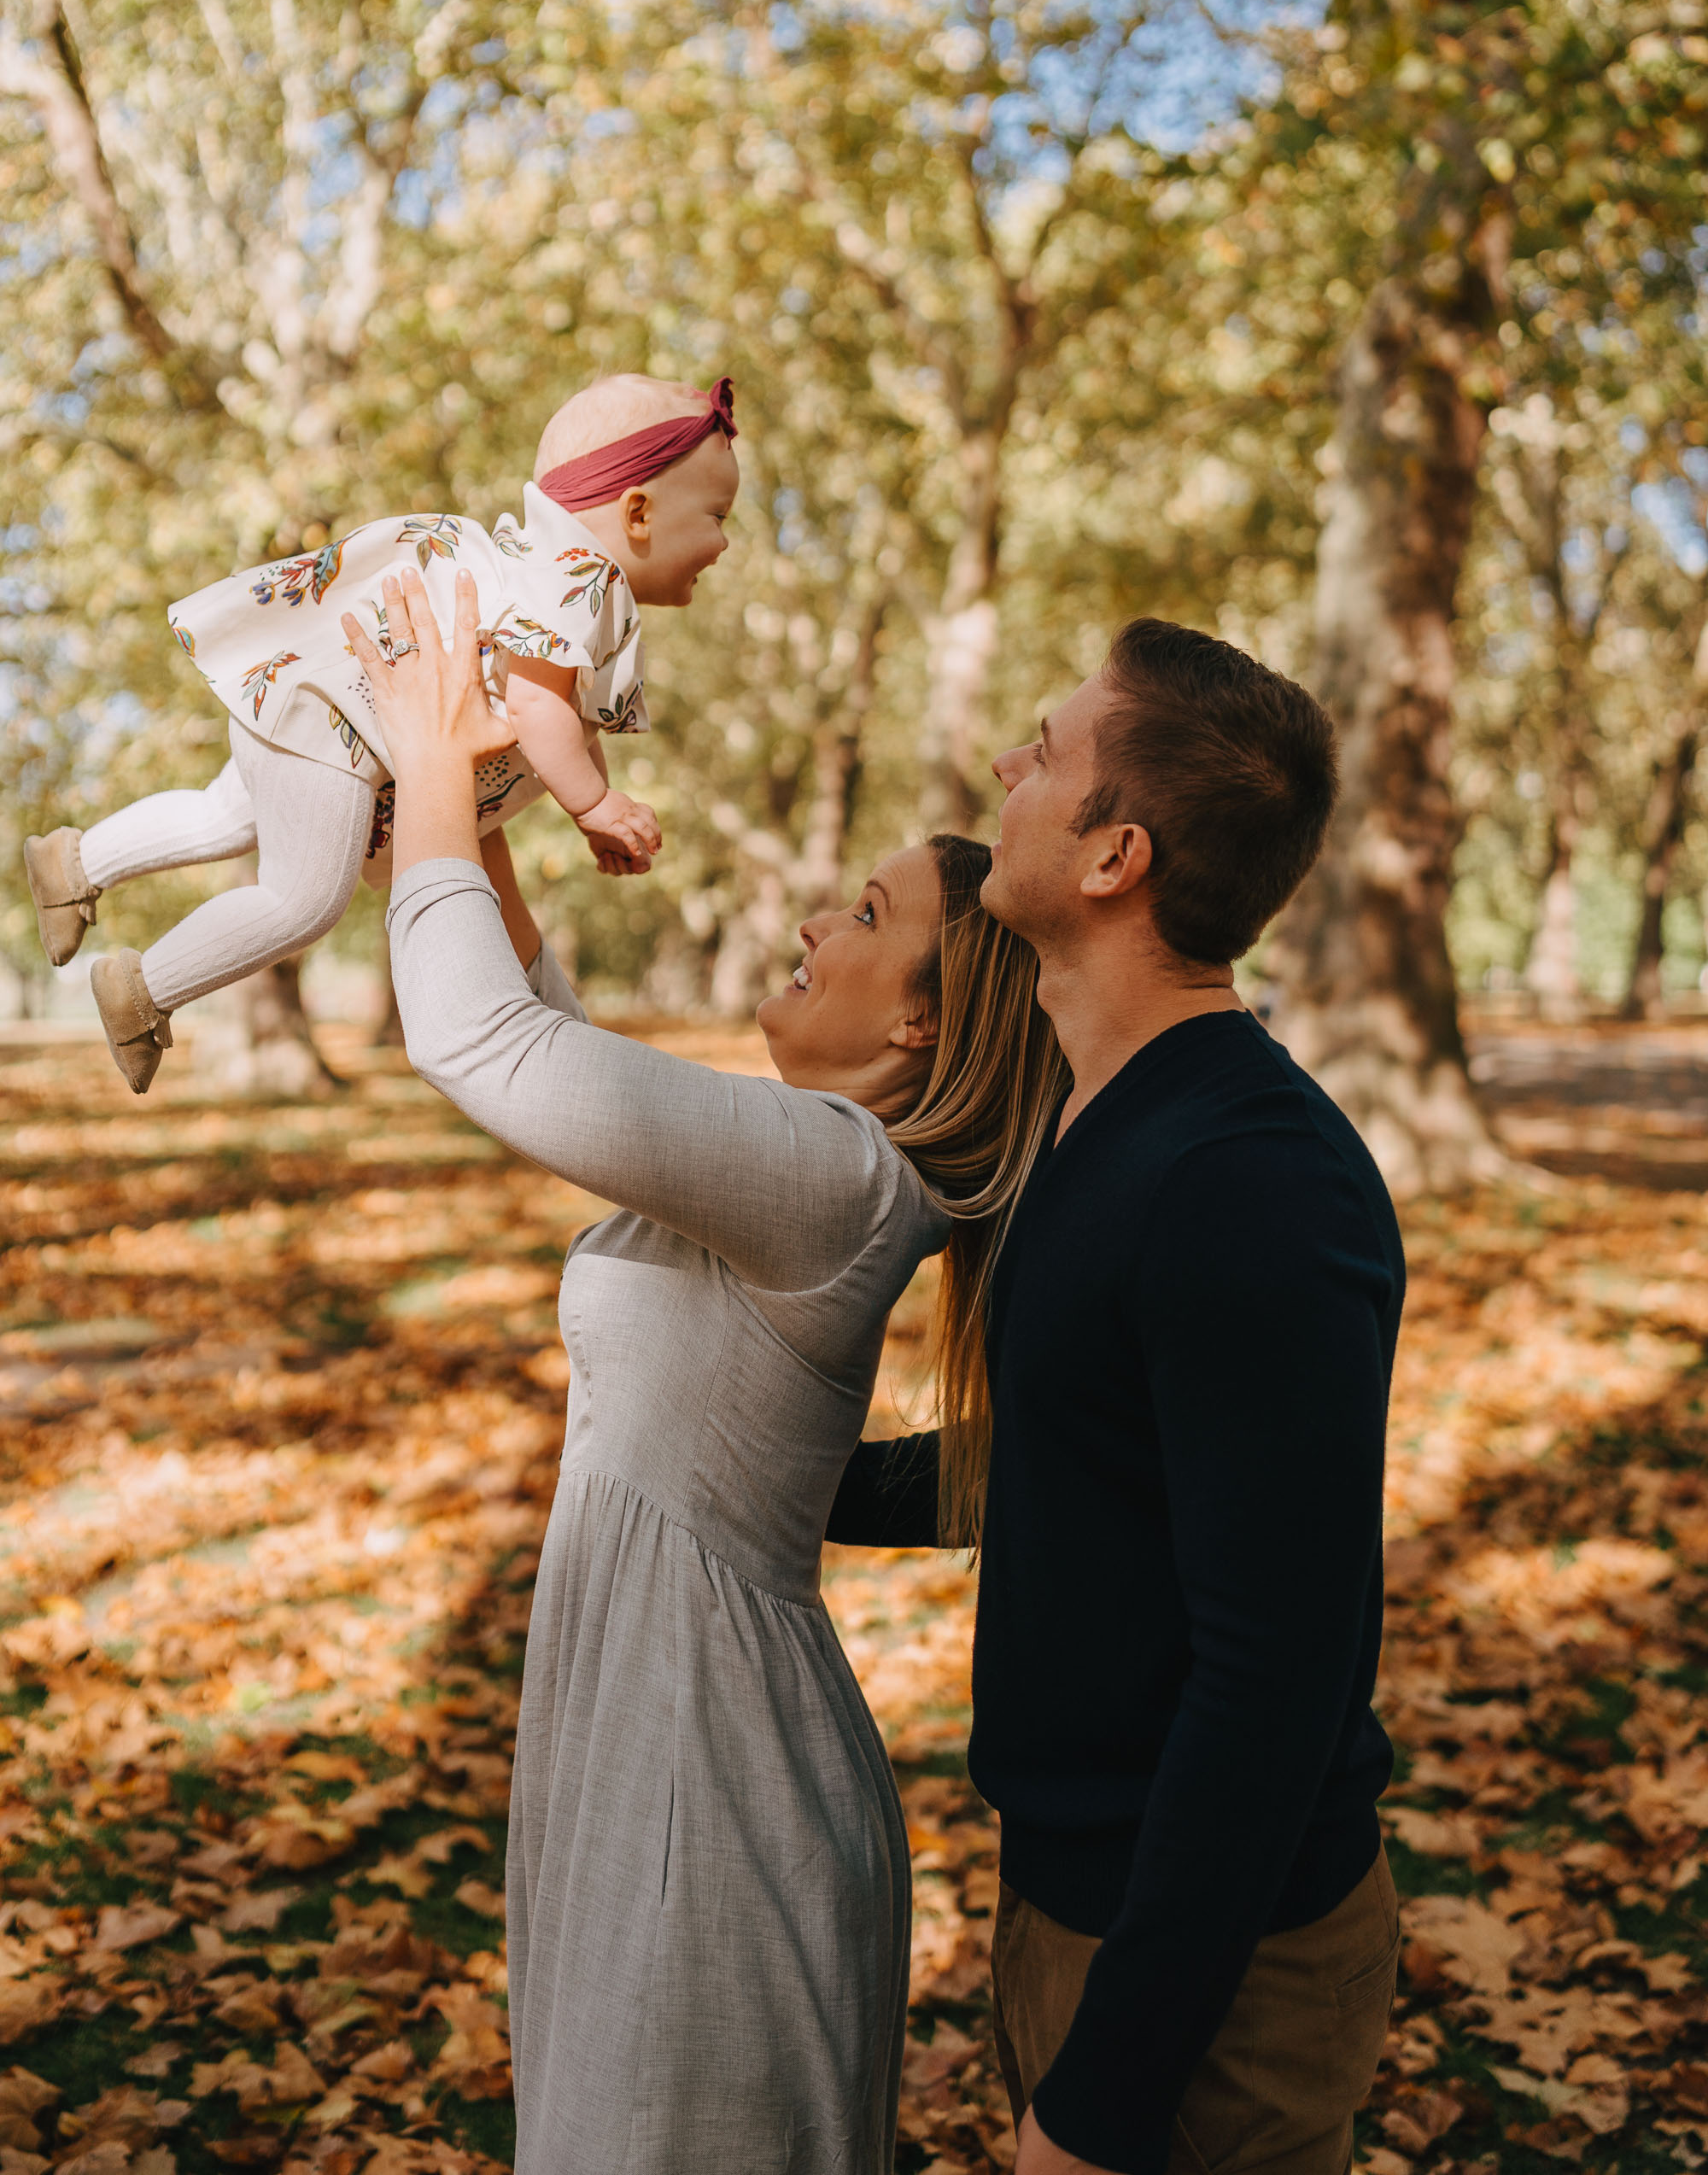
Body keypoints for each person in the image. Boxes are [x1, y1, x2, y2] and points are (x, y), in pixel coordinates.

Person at [343, 562, 1067, 2175]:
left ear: (923, 1039)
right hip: (646, 1720)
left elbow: (483, 1047)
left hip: (712, 1780)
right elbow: (555, 1036)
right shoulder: (815, 1167)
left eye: (870, 918)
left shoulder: (842, 1179)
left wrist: (438, 745)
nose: (821, 920)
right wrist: (478, 828)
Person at [829, 618, 1407, 2175]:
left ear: (1113, 858)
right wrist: (783, 1474)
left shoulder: (1248, 1185)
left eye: (1046, 752)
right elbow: (1078, 1464)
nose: (1007, 770)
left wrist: (1101, 2097)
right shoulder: (1107, 1122)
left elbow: (1275, 1679)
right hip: (1077, 1893)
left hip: (1215, 1968)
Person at [22, 372, 736, 1093]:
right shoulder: (576, 583)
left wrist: (593, 802)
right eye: (717, 515)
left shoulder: (543, 570)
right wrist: (594, 807)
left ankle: (76, 863)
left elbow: (567, 717)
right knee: (302, 901)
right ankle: (142, 988)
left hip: (313, 702)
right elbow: (541, 711)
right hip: (344, 732)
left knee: (224, 812)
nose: (725, 542)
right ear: (638, 512)